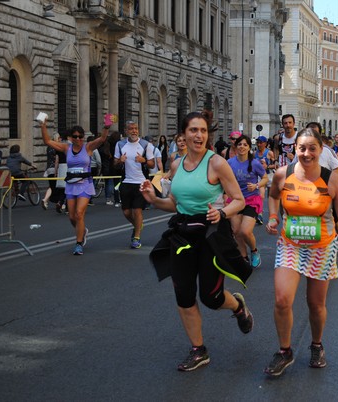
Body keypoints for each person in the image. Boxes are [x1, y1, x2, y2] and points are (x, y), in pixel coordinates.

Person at [139, 111, 253, 372]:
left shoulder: (216, 164)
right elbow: (176, 204)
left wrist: (222, 212)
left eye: (203, 131)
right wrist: (154, 200)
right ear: (183, 135)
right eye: (193, 130)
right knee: (183, 294)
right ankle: (198, 350)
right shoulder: (177, 165)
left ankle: (237, 306)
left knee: (211, 297)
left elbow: (239, 200)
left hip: (210, 233)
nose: (199, 135)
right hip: (182, 233)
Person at [263, 127, 338, 377]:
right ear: (295, 149)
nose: (306, 153)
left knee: (315, 305)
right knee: (282, 300)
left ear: (321, 150)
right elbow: (272, 196)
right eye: (302, 148)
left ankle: (316, 345)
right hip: (290, 245)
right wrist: (273, 216)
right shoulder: (283, 175)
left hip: (322, 248)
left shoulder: (331, 180)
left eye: (312, 148)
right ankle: (284, 351)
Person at [41, 119, 110, 255]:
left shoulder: (88, 147)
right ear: (71, 138)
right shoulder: (67, 148)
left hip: (85, 184)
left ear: (83, 137)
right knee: (72, 217)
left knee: (79, 214)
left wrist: (106, 126)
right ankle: (82, 230)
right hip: (71, 186)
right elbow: (48, 141)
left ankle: (78, 244)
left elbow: (102, 138)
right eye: (75, 136)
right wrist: (43, 126)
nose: (78, 139)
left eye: (80, 136)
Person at [227, 134, 267, 267]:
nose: (242, 147)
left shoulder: (254, 163)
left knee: (245, 231)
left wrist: (256, 185)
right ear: (236, 146)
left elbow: (265, 178)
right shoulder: (230, 163)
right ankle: (243, 258)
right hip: (235, 200)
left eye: (245, 145)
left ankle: (254, 251)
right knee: (237, 232)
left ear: (249, 147)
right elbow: (224, 180)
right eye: (239, 144)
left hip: (251, 200)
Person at [113, 121, 155, 249]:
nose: (134, 131)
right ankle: (138, 225)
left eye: (136, 128)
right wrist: (120, 161)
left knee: (137, 211)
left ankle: (136, 237)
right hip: (126, 182)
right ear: (126, 131)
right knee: (126, 212)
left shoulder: (145, 145)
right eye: (131, 129)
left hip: (141, 182)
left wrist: (144, 161)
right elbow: (115, 163)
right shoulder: (120, 144)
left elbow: (152, 164)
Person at [254, 135, 276, 224]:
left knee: (270, 197)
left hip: (270, 175)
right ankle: (260, 215)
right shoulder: (254, 153)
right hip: (261, 176)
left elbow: (276, 165)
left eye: (261, 143)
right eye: (258, 142)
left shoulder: (269, 153)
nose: (259, 144)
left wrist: (267, 166)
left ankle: (272, 217)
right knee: (261, 196)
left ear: (265, 144)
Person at [41, 134, 59, 209]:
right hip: (54, 168)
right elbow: (57, 159)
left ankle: (46, 201)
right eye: (59, 138)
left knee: (51, 185)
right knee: (55, 186)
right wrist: (56, 171)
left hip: (48, 168)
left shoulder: (49, 147)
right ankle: (57, 202)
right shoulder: (56, 147)